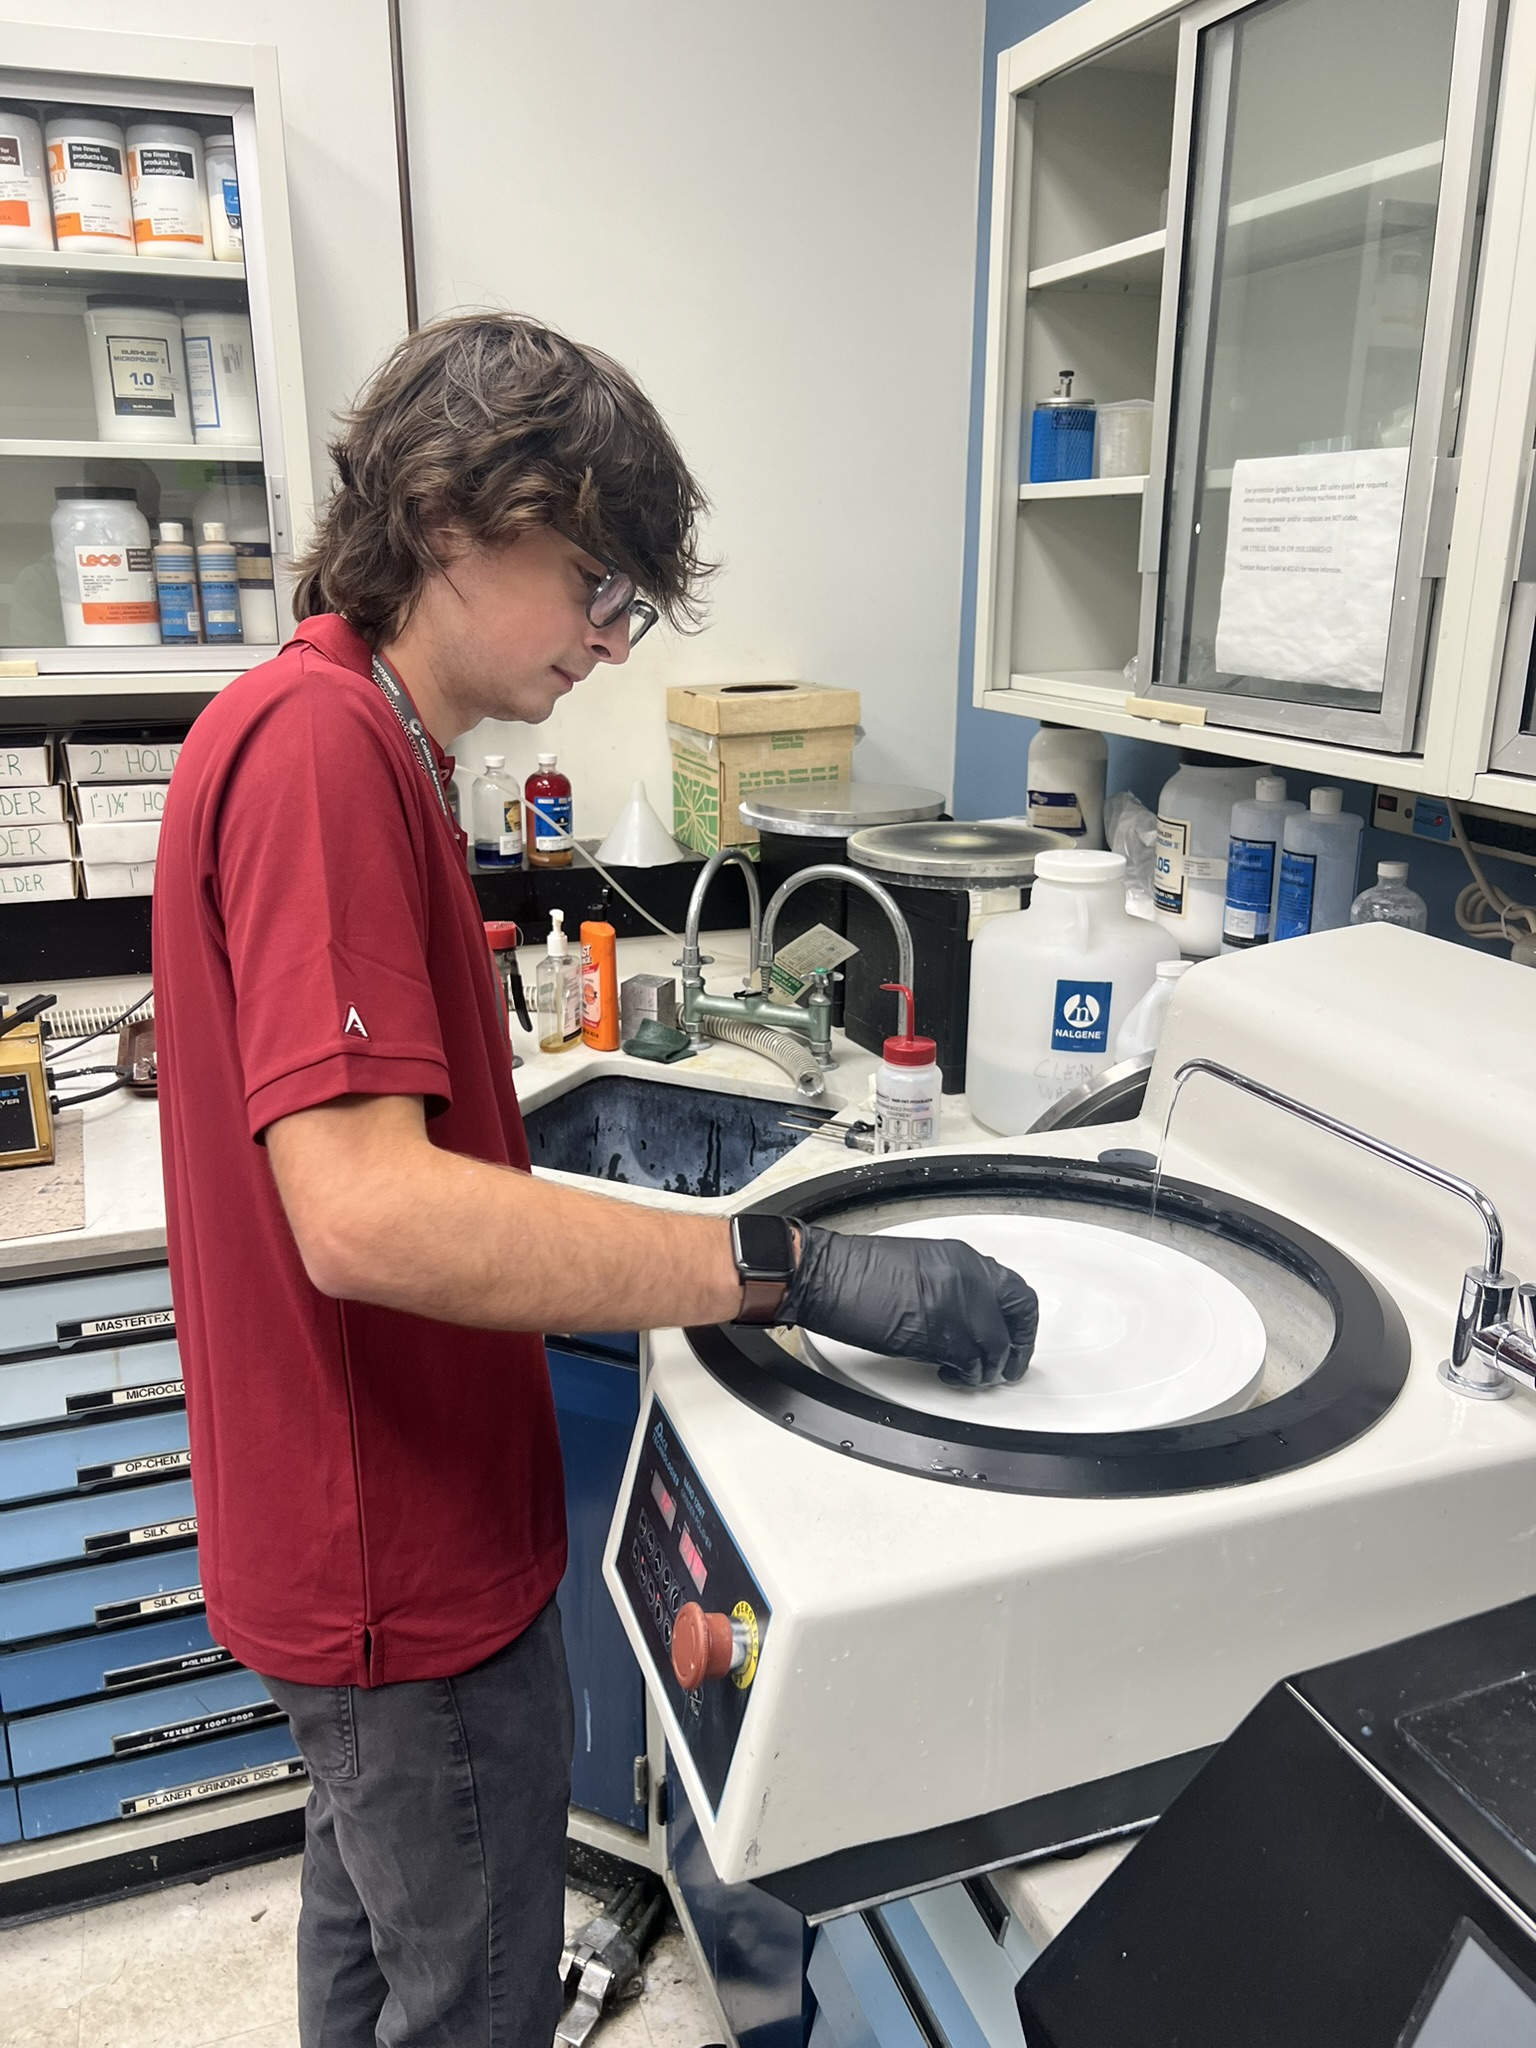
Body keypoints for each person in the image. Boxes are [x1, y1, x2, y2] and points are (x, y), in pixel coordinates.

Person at [153, 311, 1038, 2048]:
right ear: (448, 519)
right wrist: (782, 1265)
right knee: (472, 1996)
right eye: (595, 585)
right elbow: (369, 1213)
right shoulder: (322, 753)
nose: (614, 640)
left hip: (361, 1533)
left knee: (371, 1941)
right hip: (398, 1558)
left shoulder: (352, 735)